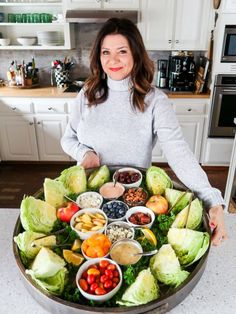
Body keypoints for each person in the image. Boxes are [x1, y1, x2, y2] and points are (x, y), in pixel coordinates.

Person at [61, 18, 227, 246]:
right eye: (105, 52)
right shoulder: (87, 94)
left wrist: (212, 199)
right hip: (89, 199)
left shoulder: (155, 100)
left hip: (135, 202)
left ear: (136, 55)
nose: (113, 60)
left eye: (122, 51)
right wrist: (84, 153)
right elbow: (68, 138)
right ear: (98, 57)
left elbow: (179, 153)